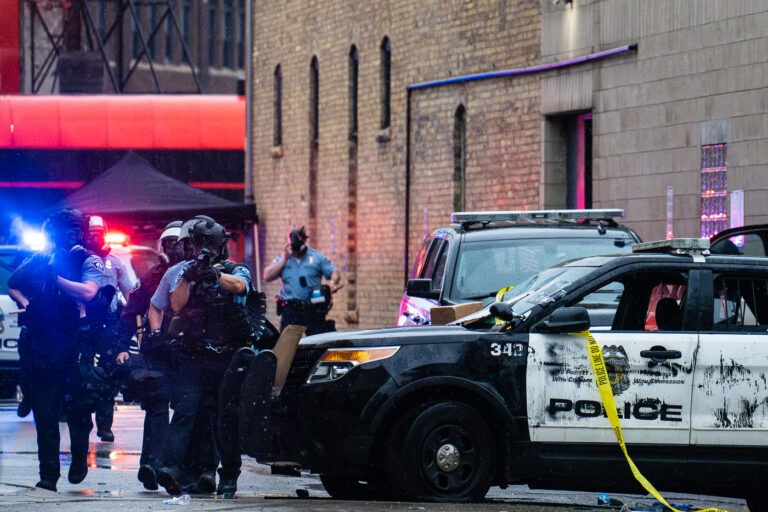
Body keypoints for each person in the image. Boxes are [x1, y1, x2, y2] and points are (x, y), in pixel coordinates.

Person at [155, 218, 253, 498]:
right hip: (194, 357)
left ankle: (227, 475)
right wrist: (190, 276)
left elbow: (240, 286)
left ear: (222, 246)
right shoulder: (185, 270)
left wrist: (215, 276)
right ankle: (172, 468)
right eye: (201, 245)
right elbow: (175, 304)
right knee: (184, 412)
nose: (205, 250)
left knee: (225, 418)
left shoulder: (237, 269)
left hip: (227, 359)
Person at [7, 209, 104, 492]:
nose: (67, 236)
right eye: (62, 231)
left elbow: (88, 292)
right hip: (41, 343)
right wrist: (28, 303)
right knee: (45, 412)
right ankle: (48, 474)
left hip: (74, 341)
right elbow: (14, 283)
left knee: (78, 409)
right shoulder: (41, 258)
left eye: (73, 231)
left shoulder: (88, 259)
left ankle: (78, 460)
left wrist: (57, 278)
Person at [115, 220, 182, 490]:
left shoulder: (197, 274)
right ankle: (151, 466)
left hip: (190, 351)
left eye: (178, 244)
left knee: (187, 409)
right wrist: (121, 345)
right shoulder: (153, 276)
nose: (173, 249)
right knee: (156, 405)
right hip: (156, 349)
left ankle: (178, 466)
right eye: (168, 244)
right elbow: (131, 312)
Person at [83, 215, 136, 442]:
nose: (95, 238)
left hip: (108, 324)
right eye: (91, 233)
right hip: (83, 323)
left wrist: (132, 313)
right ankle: (82, 420)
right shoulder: (78, 259)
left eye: (99, 233)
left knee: (108, 374)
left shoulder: (115, 262)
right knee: (82, 371)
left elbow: (128, 292)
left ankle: (105, 425)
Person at [263, 226, 341, 335]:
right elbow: (267, 275)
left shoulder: (316, 257)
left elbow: (334, 272)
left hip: (313, 309)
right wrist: (285, 259)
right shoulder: (283, 258)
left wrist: (332, 283)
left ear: (304, 241)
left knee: (316, 343)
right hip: (291, 310)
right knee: (287, 344)